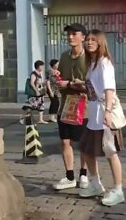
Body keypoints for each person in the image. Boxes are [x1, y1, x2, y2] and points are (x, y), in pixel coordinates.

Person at [73, 29, 125, 206]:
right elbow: (93, 88)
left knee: (110, 152)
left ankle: (118, 190)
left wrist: (108, 112)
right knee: (86, 149)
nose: (89, 43)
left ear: (101, 42)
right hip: (94, 114)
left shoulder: (104, 63)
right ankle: (96, 184)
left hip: (104, 113)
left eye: (93, 40)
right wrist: (80, 85)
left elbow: (109, 89)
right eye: (87, 40)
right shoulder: (92, 64)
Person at [52, 23, 89, 190]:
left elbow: (91, 86)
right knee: (65, 141)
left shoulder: (89, 57)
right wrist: (56, 78)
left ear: (83, 36)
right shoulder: (64, 56)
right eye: (68, 34)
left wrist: (71, 84)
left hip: (84, 105)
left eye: (75, 33)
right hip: (65, 105)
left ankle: (84, 175)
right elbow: (59, 82)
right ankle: (69, 176)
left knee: (83, 143)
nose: (70, 37)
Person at [20, 60, 49, 124]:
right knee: (29, 106)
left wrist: (44, 83)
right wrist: (36, 91)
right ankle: (22, 118)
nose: (43, 67)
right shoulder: (33, 74)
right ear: (38, 66)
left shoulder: (39, 74)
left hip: (39, 93)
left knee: (41, 105)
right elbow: (32, 83)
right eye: (42, 66)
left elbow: (39, 83)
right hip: (34, 93)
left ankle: (40, 119)